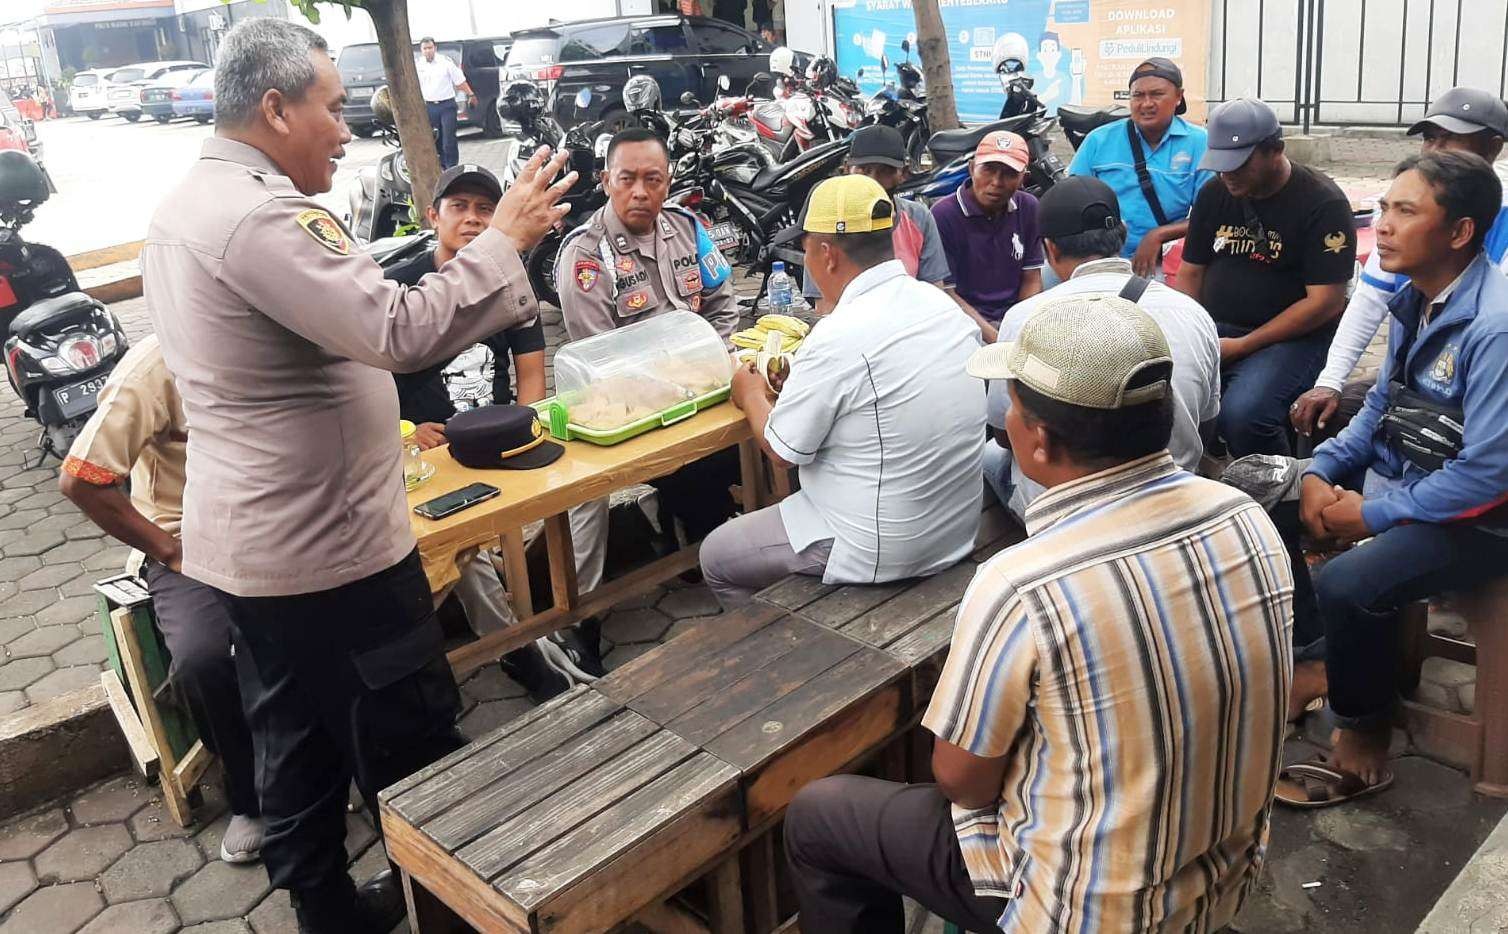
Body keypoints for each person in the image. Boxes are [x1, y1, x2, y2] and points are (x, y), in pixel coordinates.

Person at [140, 19, 572, 933]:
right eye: (333, 107)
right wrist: (504, 238)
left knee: (293, 745)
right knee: (411, 741)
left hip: (257, 555)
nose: (347, 127)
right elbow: (398, 333)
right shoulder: (261, 214)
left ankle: (328, 911)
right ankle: (449, 909)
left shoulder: (186, 204)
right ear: (274, 106)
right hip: (333, 559)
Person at [783, 295, 1293, 933]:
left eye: (1014, 409)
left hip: (1087, 915)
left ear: (1041, 443)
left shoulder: (1023, 584)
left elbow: (962, 783)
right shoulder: (1245, 516)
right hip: (1220, 881)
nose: (1008, 422)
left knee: (819, 817)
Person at [1277, 151, 1508, 806]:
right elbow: (1378, 411)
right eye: (1382, 209)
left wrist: (1371, 516)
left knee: (1349, 580)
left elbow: (1490, 474)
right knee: (1262, 498)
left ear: (1459, 233)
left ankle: (1364, 730)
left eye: (1406, 211)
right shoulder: (1415, 301)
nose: (1384, 226)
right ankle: (1319, 659)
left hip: (1485, 520)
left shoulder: (1494, 326)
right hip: (1413, 484)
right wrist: (1321, 472)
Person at [700, 174, 985, 607]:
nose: (806, 261)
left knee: (716, 557)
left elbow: (782, 451)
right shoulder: (939, 304)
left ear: (827, 255)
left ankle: (783, 657)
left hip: (884, 548)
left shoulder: (838, 336)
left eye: (807, 248)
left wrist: (750, 392)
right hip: (954, 530)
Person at [59, 335, 265, 865]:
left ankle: (341, 765)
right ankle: (250, 799)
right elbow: (81, 480)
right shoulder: (153, 369)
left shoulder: (283, 329)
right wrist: (167, 549)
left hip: (279, 528)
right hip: (189, 543)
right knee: (203, 659)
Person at [381, 162, 584, 699]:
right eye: (459, 207)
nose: (472, 219)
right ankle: (520, 651)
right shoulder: (400, 287)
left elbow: (533, 370)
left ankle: (575, 620)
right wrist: (405, 430)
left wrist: (526, 422)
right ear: (433, 216)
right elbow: (370, 377)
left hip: (504, 441)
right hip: (436, 455)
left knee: (586, 492)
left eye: (485, 209)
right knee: (463, 544)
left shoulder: (509, 279)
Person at [555, 127, 740, 654]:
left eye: (652, 179)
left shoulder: (688, 227)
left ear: (668, 182)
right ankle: (581, 620)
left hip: (701, 390)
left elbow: (724, 303)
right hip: (629, 407)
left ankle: (706, 537)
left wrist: (715, 359)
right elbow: (600, 360)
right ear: (605, 181)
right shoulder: (586, 257)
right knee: (590, 491)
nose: (641, 191)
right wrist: (684, 380)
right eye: (627, 179)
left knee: (763, 423)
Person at [983, 175, 1220, 517]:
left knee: (992, 455)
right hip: (1172, 496)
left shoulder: (1026, 317)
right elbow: (1205, 424)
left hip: (1073, 510)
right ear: (1122, 232)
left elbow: (1007, 436)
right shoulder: (1192, 312)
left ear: (1049, 248)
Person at [1291, 86, 1508, 444]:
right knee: (1322, 419)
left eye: (1451, 139)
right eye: (1430, 138)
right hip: (1419, 377)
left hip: (1475, 388)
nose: (1436, 150)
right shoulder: (1407, 229)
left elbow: (1484, 463)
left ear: (1494, 146)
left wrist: (1374, 504)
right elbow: (1369, 301)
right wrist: (1329, 382)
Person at [1176, 97, 1356, 457]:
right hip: (1218, 327)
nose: (1228, 174)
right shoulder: (1215, 193)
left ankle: (1281, 492)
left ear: (1275, 150)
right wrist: (1191, 331)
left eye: (1239, 165)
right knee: (1169, 395)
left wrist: (1244, 346)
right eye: (1221, 165)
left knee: (1245, 415)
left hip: (1292, 337)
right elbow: (1192, 271)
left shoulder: (1323, 204)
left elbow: (1325, 301)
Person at [1069, 57, 1213, 276]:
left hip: (1167, 263)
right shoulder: (1098, 141)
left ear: (1178, 97)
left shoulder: (1199, 142)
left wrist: (1159, 235)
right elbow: (1072, 201)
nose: (1146, 103)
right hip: (1102, 262)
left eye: (1156, 94)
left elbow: (1211, 214)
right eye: (1138, 95)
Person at [800, 125, 954, 314]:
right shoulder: (828, 222)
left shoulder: (919, 218)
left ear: (903, 173)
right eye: (864, 170)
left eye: (885, 171)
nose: (872, 181)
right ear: (847, 169)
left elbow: (934, 293)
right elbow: (825, 308)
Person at [931, 130, 1045, 342]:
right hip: (963, 323)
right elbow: (947, 294)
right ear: (972, 168)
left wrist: (1018, 330)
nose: (996, 182)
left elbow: (1031, 279)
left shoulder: (1029, 207)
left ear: (1023, 178)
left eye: (1009, 173)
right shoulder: (944, 214)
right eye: (988, 170)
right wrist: (997, 341)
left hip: (1014, 320)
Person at [416, 36, 475, 170]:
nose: (428, 51)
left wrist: (470, 94)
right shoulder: (418, 65)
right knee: (435, 138)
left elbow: (459, 81)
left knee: (448, 138)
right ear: (421, 50)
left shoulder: (445, 63)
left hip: (446, 105)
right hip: (430, 106)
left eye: (430, 48)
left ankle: (451, 166)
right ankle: (441, 165)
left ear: (435, 48)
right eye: (425, 49)